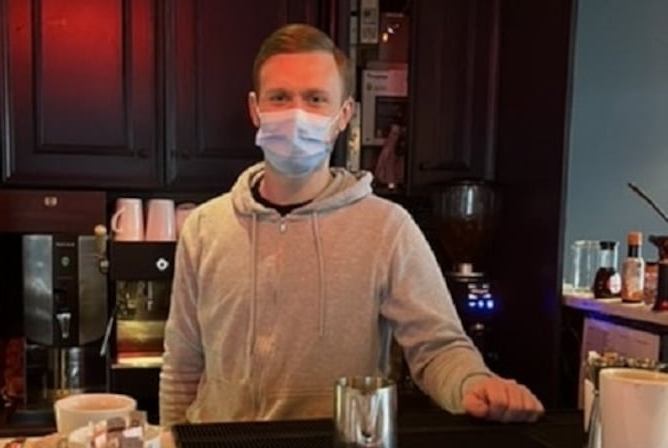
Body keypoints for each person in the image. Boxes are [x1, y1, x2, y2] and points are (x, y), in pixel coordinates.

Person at [159, 23, 544, 427]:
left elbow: (437, 347)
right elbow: (183, 364)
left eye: (315, 99)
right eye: (280, 97)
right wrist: (169, 438)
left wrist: (472, 383)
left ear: (344, 115)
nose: (296, 113)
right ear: (256, 109)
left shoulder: (387, 228)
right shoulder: (204, 228)